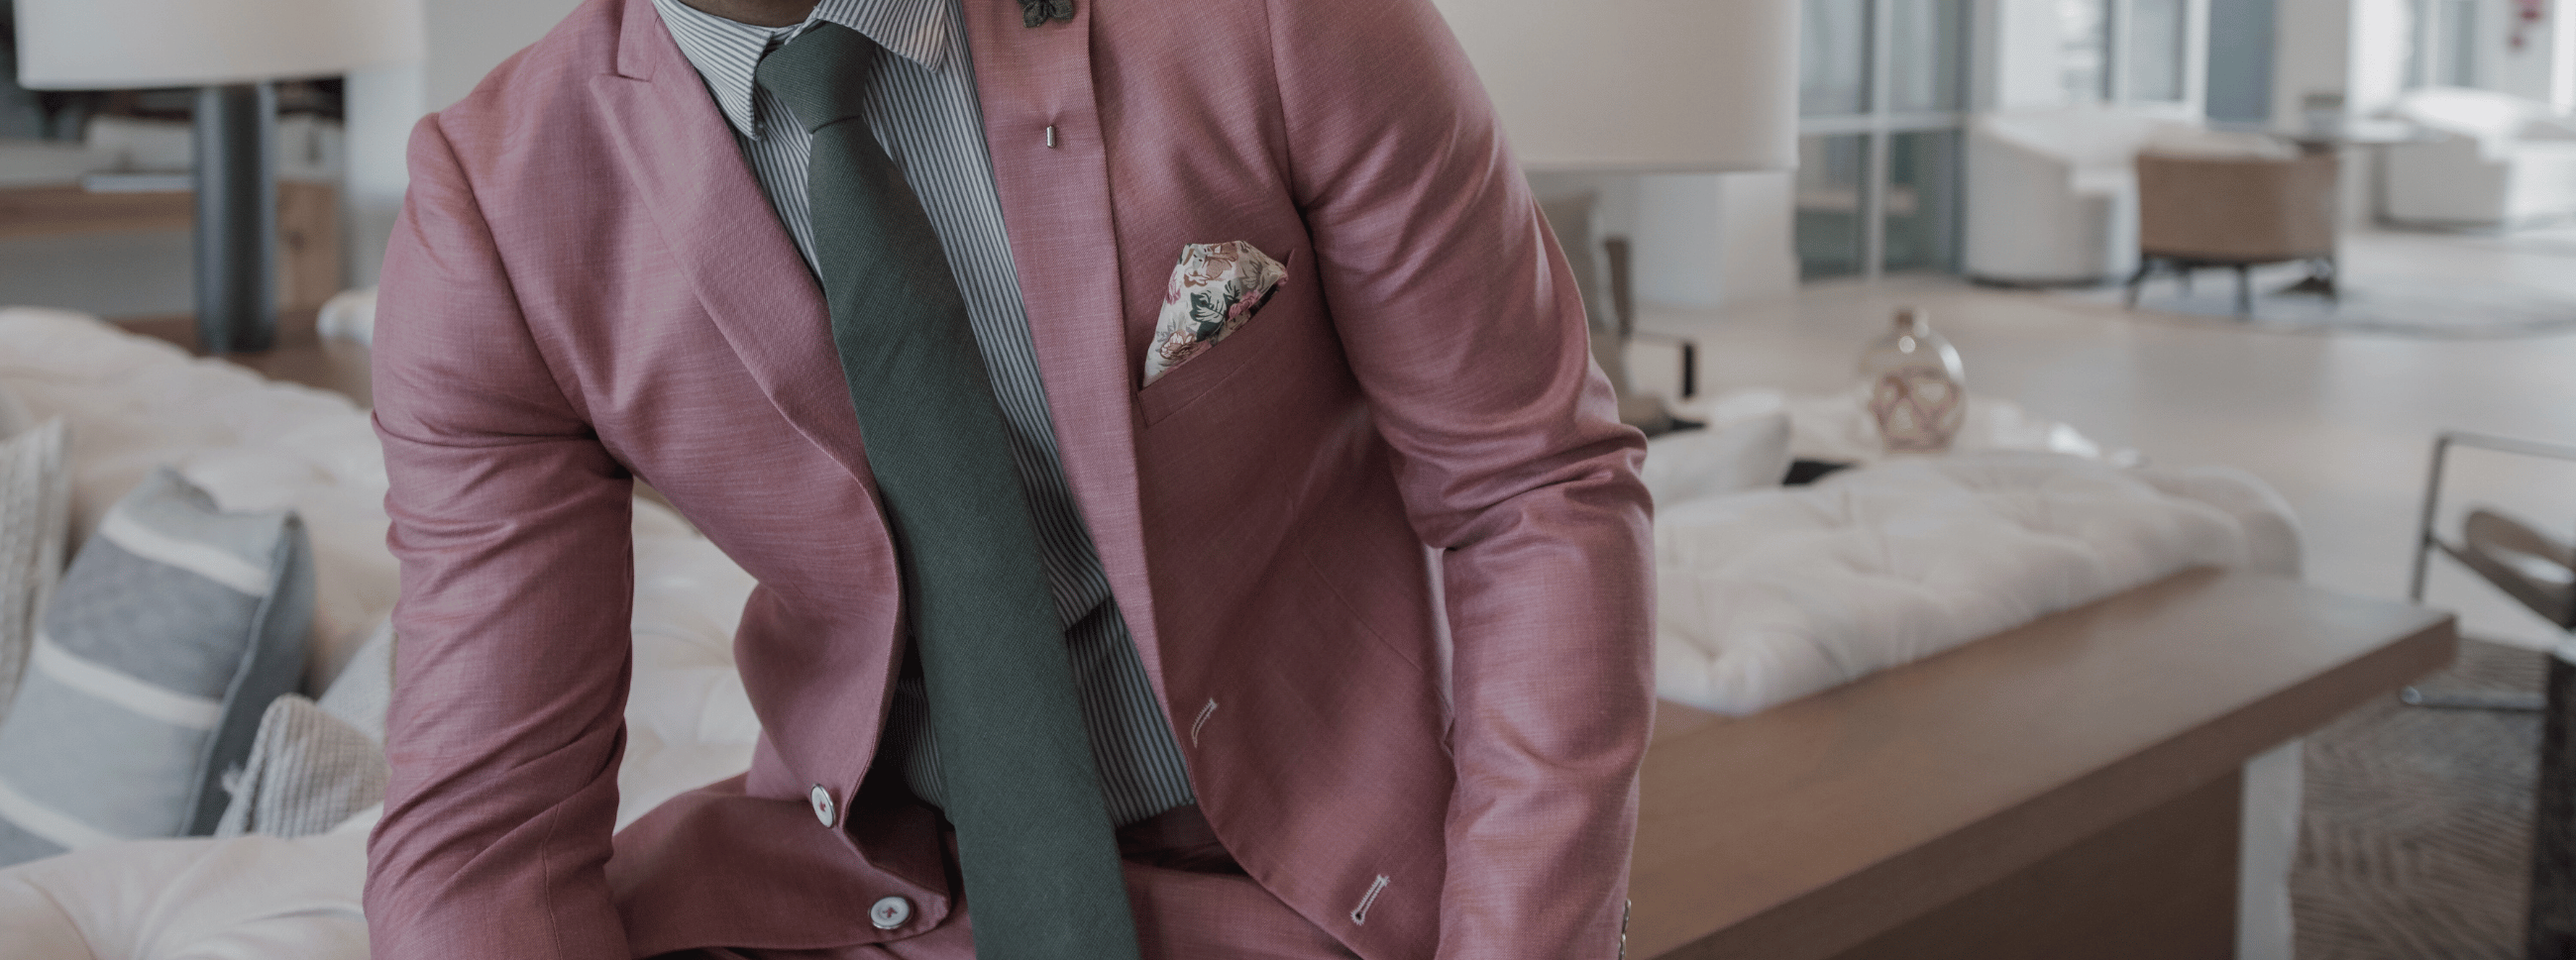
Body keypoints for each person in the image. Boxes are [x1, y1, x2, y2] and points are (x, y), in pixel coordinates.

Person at [362, 0, 1655, 955]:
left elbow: (1531, 494)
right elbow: (485, 835)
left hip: (1314, 869)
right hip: (858, 876)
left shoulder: (1268, 19)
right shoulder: (494, 212)